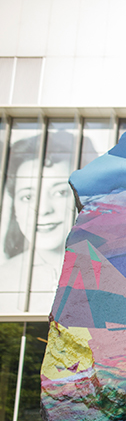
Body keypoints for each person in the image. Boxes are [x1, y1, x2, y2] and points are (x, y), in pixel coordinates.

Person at [1, 133, 75, 312]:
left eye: (60, 193)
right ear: (15, 209)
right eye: (27, 196)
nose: (43, 209)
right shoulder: (4, 279)